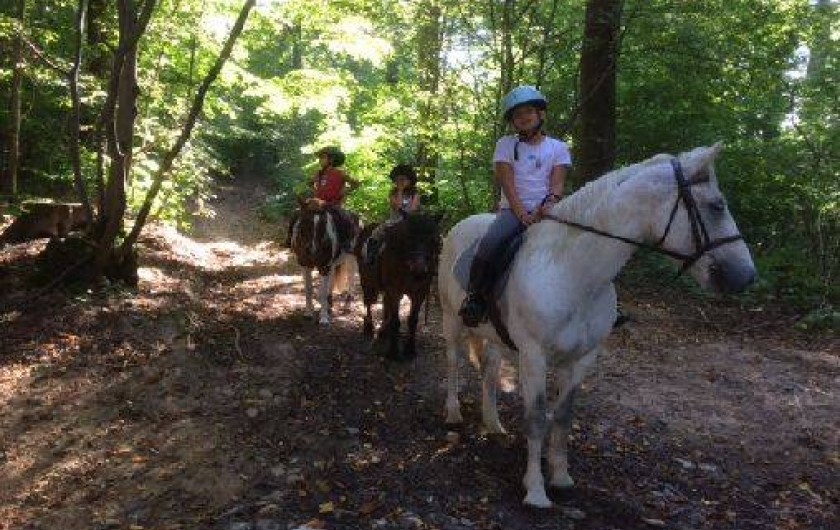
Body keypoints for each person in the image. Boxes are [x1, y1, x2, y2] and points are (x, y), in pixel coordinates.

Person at [459, 85, 572, 327]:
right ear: (512, 121)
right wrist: (521, 213)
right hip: (513, 210)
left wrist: (550, 203)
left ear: (540, 114)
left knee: (583, 239)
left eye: (528, 111)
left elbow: (558, 182)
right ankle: (475, 297)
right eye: (517, 114)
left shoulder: (558, 148)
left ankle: (604, 301)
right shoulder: (506, 144)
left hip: (548, 210)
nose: (523, 117)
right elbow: (507, 182)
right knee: (491, 242)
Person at [285, 146, 359, 250]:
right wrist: (317, 191)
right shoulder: (318, 173)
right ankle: (289, 239)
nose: (320, 160)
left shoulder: (340, 173)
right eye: (320, 158)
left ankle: (346, 243)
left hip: (333, 205)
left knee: (345, 219)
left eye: (323, 157)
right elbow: (310, 183)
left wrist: (343, 193)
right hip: (317, 204)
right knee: (296, 214)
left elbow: (355, 184)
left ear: (331, 160)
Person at [363, 164, 421, 265]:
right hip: (393, 221)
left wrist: (407, 214)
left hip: (410, 222)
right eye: (398, 180)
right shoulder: (393, 194)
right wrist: (400, 191)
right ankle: (371, 254)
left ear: (410, 181)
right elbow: (397, 207)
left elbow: (413, 209)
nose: (400, 182)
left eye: (403, 180)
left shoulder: (415, 194)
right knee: (376, 233)